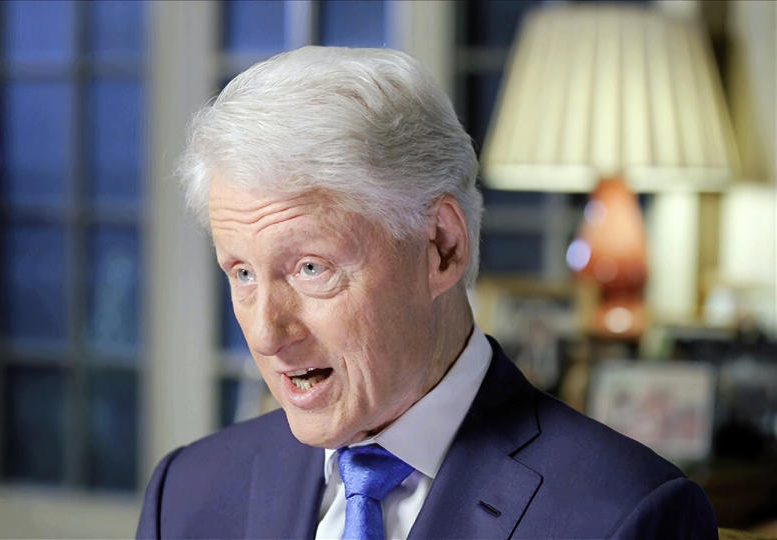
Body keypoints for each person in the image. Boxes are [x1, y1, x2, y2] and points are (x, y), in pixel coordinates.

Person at [136, 46, 717, 540]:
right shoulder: (186, 494)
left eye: (311, 268)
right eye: (241, 273)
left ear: (441, 247)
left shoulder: (629, 514)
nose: (265, 332)